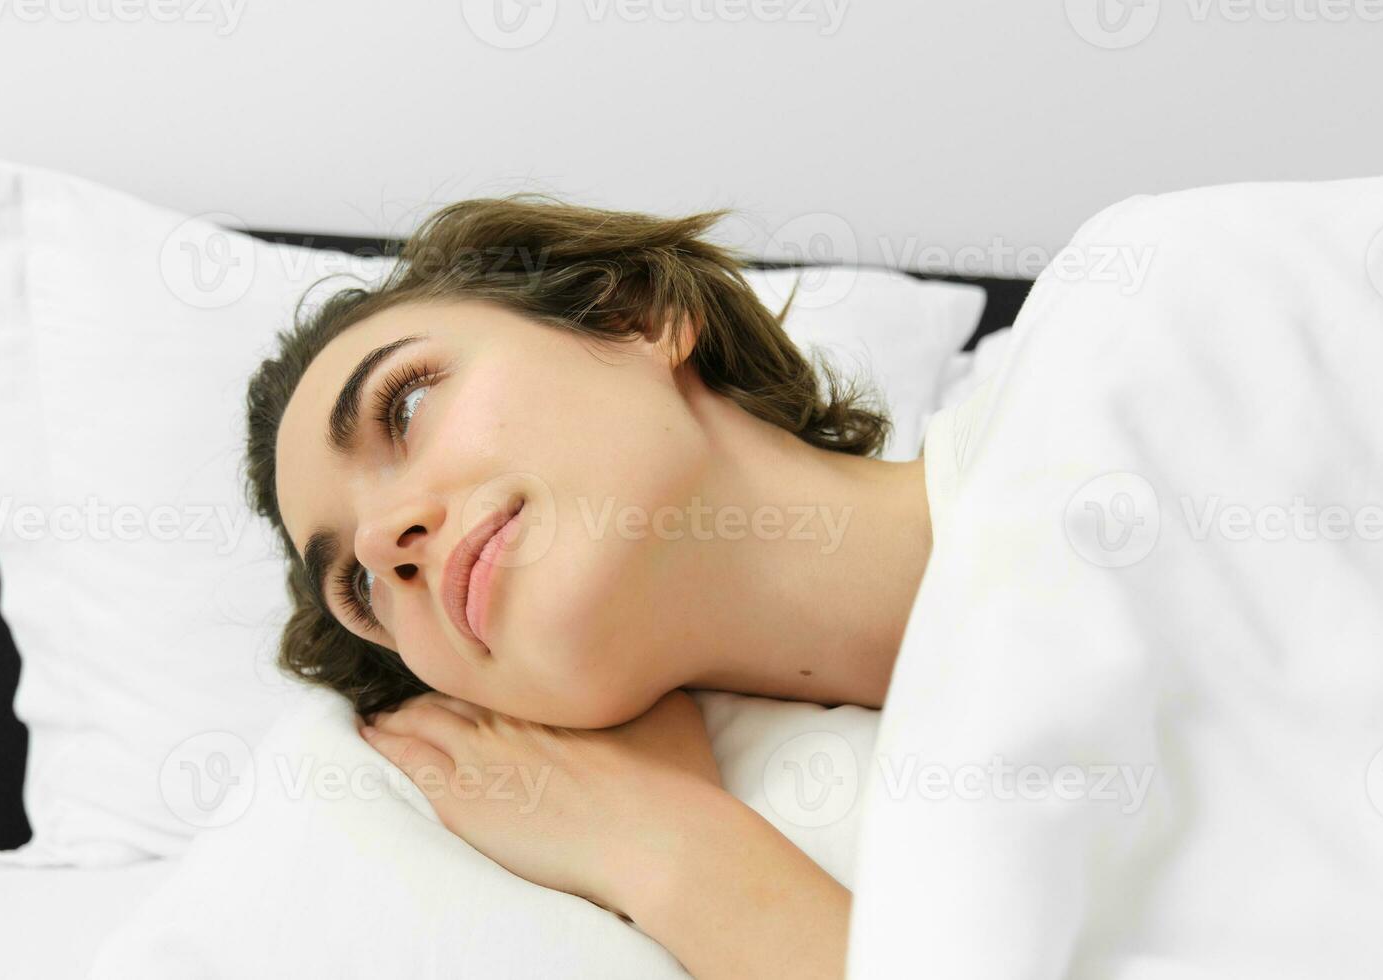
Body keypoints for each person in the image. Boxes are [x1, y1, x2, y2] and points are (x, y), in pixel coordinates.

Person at [242, 196, 938, 979]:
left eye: (404, 405)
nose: (379, 543)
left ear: (635, 315)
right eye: (359, 586)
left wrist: (678, 856)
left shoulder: (1090, 386)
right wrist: (666, 846)